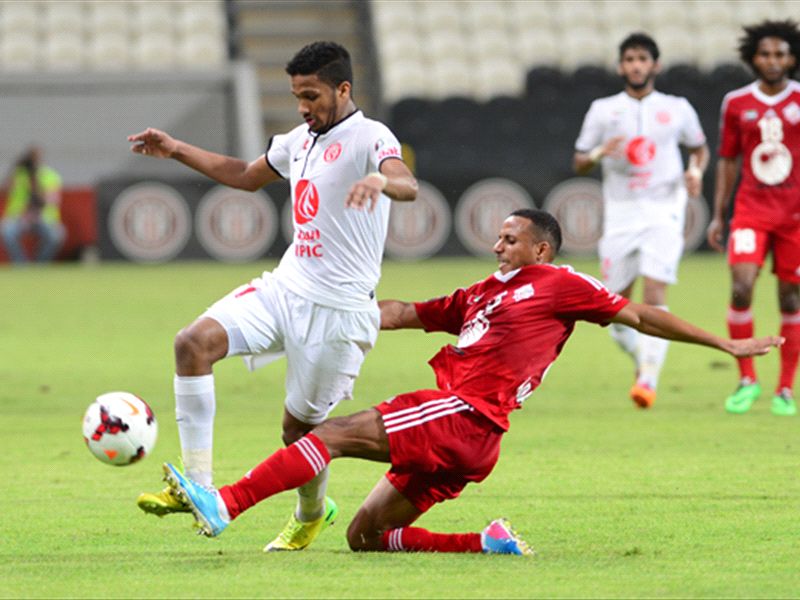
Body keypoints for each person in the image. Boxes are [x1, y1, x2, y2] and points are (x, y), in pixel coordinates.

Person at [157, 209, 780, 554]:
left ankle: (226, 503)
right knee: (365, 537)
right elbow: (405, 313)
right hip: (469, 441)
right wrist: (327, 313)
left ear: (541, 249)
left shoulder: (561, 284)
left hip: (465, 413)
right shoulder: (482, 294)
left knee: (336, 433)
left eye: (511, 238)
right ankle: (488, 544)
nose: (498, 243)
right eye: (498, 236)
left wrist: (721, 341)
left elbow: (639, 313)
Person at [128, 41, 418, 550]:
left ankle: (312, 511)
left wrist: (379, 181)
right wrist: (177, 149)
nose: (303, 107)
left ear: (343, 89)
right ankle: (198, 483)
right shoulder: (298, 140)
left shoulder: (371, 137)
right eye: (296, 96)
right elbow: (244, 175)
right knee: (192, 344)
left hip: (339, 312)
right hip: (285, 287)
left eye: (312, 95)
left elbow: (407, 184)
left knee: (300, 433)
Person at [573, 33, 709, 409]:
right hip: (621, 212)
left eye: (642, 59)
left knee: (654, 294)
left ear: (655, 66)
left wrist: (696, 171)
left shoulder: (677, 107)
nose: (636, 65)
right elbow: (580, 160)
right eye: (630, 59)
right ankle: (642, 358)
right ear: (621, 66)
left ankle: (648, 377)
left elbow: (699, 148)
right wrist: (601, 152)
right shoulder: (603, 110)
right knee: (613, 309)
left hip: (664, 208)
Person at [707, 20, 800, 417]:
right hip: (751, 211)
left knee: (790, 297)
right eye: (765, 54)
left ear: (792, 57)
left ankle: (784, 388)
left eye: (780, 53)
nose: (773, 60)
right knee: (742, 288)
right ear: (752, 58)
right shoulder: (737, 102)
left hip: (795, 216)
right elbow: (727, 159)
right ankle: (747, 378)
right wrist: (718, 214)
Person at [0, 146, 65, 264]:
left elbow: (52, 200)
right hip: (19, 217)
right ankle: (21, 265)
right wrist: (15, 168)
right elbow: (4, 190)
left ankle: (40, 264)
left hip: (43, 218)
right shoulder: (19, 174)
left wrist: (35, 185)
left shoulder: (48, 175)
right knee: (6, 230)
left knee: (57, 234)